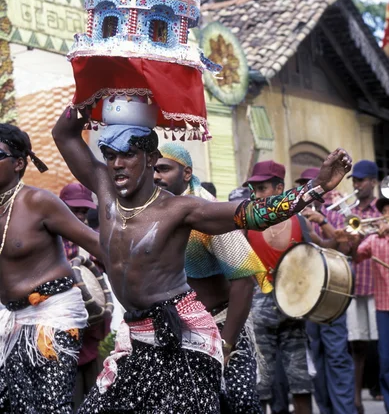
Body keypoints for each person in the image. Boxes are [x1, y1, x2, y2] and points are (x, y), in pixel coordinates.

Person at [52, 106, 351, 413]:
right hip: (136, 334)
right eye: (110, 155)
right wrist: (92, 92)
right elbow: (63, 134)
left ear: (150, 159)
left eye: (127, 154)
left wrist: (315, 188)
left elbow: (254, 215)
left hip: (181, 335)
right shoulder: (104, 190)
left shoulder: (180, 209)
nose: (117, 164)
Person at [0, 123, 102, 414]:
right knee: (14, 406)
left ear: (18, 163)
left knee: (50, 405)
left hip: (53, 314)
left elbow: (98, 246)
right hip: (10, 317)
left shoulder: (39, 202)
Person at [154, 142, 263, 413]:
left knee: (240, 401)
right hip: (177, 328)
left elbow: (244, 282)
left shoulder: (209, 213)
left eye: (164, 169)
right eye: (153, 170)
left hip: (222, 325)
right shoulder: (152, 212)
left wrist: (226, 344)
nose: (156, 176)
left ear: (186, 173)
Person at [247, 161, 342, 414]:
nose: (257, 195)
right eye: (254, 189)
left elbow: (318, 257)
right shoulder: (247, 223)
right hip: (258, 315)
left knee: (301, 382)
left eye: (263, 188)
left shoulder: (301, 222)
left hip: (294, 312)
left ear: (279, 188)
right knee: (260, 385)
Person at [297, 168, 357, 414]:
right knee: (317, 357)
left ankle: (344, 411)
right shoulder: (297, 216)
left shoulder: (333, 215)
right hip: (308, 295)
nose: (307, 192)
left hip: (332, 294)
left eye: (310, 187)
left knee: (336, 356)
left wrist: (322, 223)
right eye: (303, 187)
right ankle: (326, 410)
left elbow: (345, 247)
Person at [59, 183, 110, 412]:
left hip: (91, 328)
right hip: (60, 328)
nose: (79, 216)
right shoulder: (50, 239)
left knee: (94, 389)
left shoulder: (93, 240)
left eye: (83, 211)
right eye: (74, 210)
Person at [337, 197, 389, 414]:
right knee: (386, 360)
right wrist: (354, 238)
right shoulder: (375, 240)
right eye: (385, 212)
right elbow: (355, 256)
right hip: (383, 307)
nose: (385, 216)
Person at [346, 160, 381, 414]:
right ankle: (356, 401)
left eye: (361, 180)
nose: (357, 185)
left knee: (381, 344)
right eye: (355, 180)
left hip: (379, 285)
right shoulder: (351, 212)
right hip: (357, 284)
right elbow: (348, 248)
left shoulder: (383, 210)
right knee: (357, 345)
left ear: (373, 182)